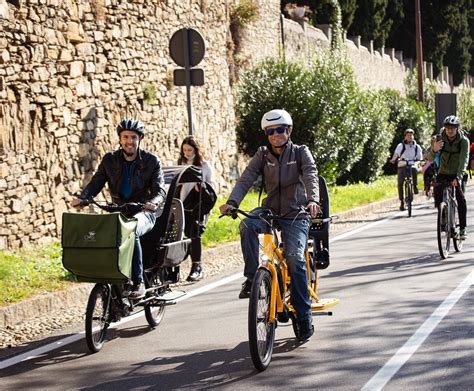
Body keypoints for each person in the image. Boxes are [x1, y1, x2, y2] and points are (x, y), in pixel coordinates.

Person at [219, 109, 320, 341]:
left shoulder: (301, 152)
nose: (276, 135)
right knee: (247, 225)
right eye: (270, 131)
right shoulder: (262, 155)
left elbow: (311, 175)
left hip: (296, 213)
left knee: (295, 257)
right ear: (266, 134)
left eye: (280, 130)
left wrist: (313, 199)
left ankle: (304, 317)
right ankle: (253, 279)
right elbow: (246, 178)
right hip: (270, 211)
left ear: (289, 130)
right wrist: (232, 203)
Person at [71, 119, 166, 298]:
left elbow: (160, 190)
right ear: (120, 139)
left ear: (140, 139)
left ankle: (138, 283)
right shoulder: (110, 160)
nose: (129, 141)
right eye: (125, 137)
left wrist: (152, 203)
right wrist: (83, 198)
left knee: (131, 230)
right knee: (97, 234)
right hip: (118, 211)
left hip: (144, 213)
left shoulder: (152, 161)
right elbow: (96, 183)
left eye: (133, 137)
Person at [177, 135, 216, 282]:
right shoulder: (180, 163)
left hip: (198, 206)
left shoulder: (204, 166)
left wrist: (202, 187)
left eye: (189, 150)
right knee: (180, 235)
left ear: (196, 149)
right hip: (182, 204)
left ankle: (197, 267)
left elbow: (212, 187)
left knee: (195, 234)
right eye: (185, 150)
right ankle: (174, 269)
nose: (187, 153)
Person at [431, 115, 469, 239]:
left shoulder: (464, 141)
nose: (450, 130)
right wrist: (434, 149)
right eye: (447, 128)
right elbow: (430, 158)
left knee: (460, 198)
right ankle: (443, 218)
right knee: (437, 192)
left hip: (458, 172)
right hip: (443, 172)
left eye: (452, 128)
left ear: (457, 128)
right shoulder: (439, 139)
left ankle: (462, 227)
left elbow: (464, 160)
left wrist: (458, 177)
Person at [390, 128, 423, 210]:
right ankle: (401, 201)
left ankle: (415, 186)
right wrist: (393, 159)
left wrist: (419, 160)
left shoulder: (417, 147)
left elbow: (420, 157)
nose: (410, 137)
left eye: (411, 135)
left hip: (412, 164)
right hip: (402, 165)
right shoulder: (400, 146)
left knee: (414, 169)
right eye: (408, 135)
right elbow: (396, 154)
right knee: (400, 183)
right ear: (405, 137)